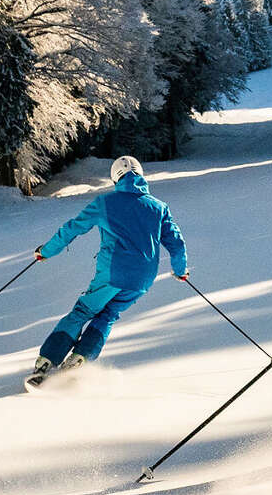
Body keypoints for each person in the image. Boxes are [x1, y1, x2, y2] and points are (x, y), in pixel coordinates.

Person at [27, 154, 188, 388]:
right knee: (108, 315)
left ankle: (48, 360)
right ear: (141, 175)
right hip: (143, 278)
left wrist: (46, 251)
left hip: (113, 273)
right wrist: (180, 270)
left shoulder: (104, 203)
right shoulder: (159, 207)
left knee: (83, 310)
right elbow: (176, 243)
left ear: (115, 178)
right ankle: (80, 358)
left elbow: (72, 228)